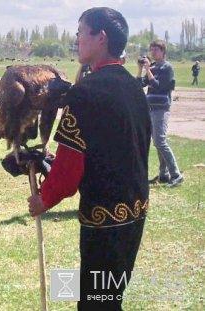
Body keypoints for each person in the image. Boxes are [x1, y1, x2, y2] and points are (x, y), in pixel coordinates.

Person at [27, 7, 151, 310]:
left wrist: (43, 199)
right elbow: (113, 147)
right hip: (136, 211)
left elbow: (70, 172)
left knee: (95, 303)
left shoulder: (84, 93)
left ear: (101, 37)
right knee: (110, 297)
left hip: (104, 219)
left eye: (81, 31)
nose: (77, 38)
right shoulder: (133, 87)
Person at [137, 40, 183, 187]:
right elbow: (139, 85)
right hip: (150, 107)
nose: (153, 52)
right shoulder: (153, 67)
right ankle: (164, 175)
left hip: (161, 108)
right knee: (157, 142)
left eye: (156, 50)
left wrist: (148, 71)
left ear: (163, 51)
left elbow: (159, 86)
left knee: (160, 141)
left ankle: (176, 174)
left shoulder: (166, 67)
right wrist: (140, 70)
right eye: (152, 50)